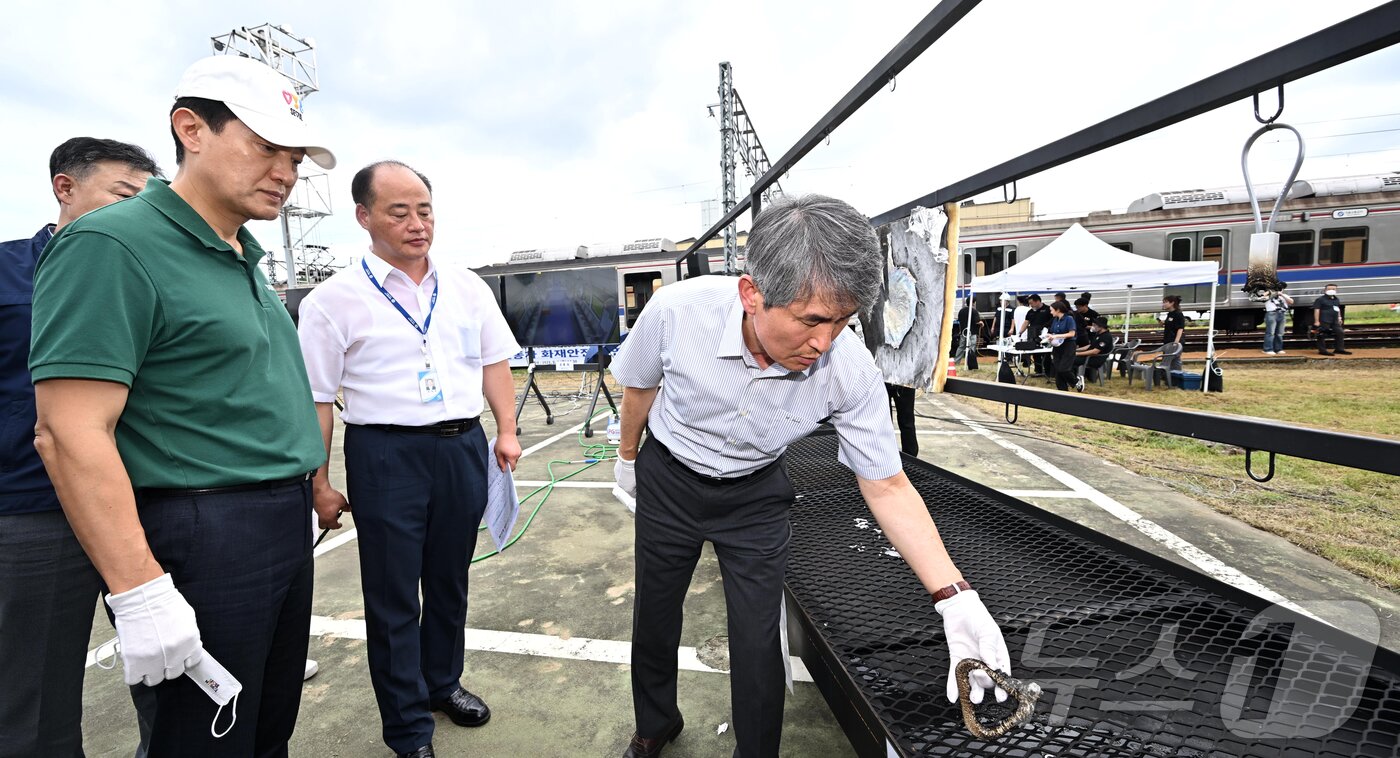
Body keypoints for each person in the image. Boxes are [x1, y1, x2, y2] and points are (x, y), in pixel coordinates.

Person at [610, 195, 1011, 758]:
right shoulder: (678, 312)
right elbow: (640, 389)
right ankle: (654, 723)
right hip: (669, 479)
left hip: (754, 495)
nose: (825, 341)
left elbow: (887, 484)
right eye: (812, 320)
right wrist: (629, 459)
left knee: (757, 641)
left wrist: (954, 596)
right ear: (752, 294)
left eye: (844, 321)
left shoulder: (848, 367)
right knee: (654, 614)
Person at [29, 56, 335, 757]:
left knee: (263, 733)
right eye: (265, 147)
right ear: (191, 129)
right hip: (203, 530)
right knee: (202, 743)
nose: (285, 172)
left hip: (277, 523)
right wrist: (139, 587)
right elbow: (68, 428)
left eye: (293, 156)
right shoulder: (113, 243)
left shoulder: (239, 255)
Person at [297, 161, 522, 758]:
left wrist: (506, 429)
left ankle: (442, 684)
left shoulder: (466, 285)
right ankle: (406, 728)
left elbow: (494, 361)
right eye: (399, 212)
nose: (417, 224)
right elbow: (318, 400)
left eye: (424, 210)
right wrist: (319, 482)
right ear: (364, 217)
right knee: (394, 594)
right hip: (385, 455)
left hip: (461, 447)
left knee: (449, 579)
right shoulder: (332, 301)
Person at [1, 137, 158, 757]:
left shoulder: (150, 272)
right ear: (65, 188)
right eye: (124, 195)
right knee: (34, 697)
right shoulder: (9, 271)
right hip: (34, 511)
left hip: (142, 501)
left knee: (174, 666)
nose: (138, 213)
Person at [1131, 295, 1186, 374]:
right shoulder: (1170, 314)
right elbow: (1171, 324)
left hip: (1175, 341)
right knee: (1168, 358)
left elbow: (1180, 328)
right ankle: (1168, 375)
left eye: (1165, 302)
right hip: (1168, 340)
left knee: (1175, 359)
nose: (1163, 304)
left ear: (1172, 303)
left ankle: (1177, 375)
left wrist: (1176, 342)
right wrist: (1163, 323)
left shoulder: (1178, 314)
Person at [1072, 317, 1116, 391]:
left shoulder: (1106, 337)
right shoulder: (1098, 334)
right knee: (1069, 358)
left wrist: (1077, 354)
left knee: (1070, 360)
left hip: (1095, 359)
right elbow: (1090, 346)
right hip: (1089, 357)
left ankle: (1075, 380)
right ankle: (1073, 379)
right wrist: (1076, 350)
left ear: (1101, 326)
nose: (1093, 327)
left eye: (1094, 325)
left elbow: (1095, 351)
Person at [1047, 300, 1079, 391]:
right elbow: (1053, 332)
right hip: (1057, 346)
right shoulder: (1055, 320)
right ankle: (1062, 390)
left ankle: (1076, 381)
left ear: (1058, 310)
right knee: (1057, 369)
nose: (1050, 312)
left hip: (1068, 345)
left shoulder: (1069, 319)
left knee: (1063, 368)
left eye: (1052, 310)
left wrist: (1056, 336)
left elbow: (1072, 334)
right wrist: (1050, 336)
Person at [1312, 284, 1351, 356]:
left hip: (1334, 320)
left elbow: (1337, 308)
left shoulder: (1336, 299)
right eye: (1329, 289)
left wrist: (1339, 317)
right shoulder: (1320, 299)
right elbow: (1317, 310)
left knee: (1340, 332)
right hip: (1324, 319)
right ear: (1325, 290)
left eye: (1333, 289)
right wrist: (1316, 321)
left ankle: (1339, 349)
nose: (1331, 290)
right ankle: (1322, 350)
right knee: (1322, 334)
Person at [1023, 294, 1053, 376]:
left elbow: (1053, 320)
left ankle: (1048, 372)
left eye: (1032, 303)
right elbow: (1026, 322)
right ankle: (1038, 371)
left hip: (1045, 335)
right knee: (1035, 353)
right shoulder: (1030, 311)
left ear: (1038, 301)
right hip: (1033, 335)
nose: (1030, 305)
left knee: (1046, 354)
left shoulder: (1048, 309)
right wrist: (1019, 333)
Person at [1262, 286, 1293, 355]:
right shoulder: (1269, 296)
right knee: (1270, 332)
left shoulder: (1284, 295)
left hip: (1282, 314)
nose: (1279, 290)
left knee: (1279, 333)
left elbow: (1291, 301)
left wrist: (1282, 295)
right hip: (1271, 313)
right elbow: (1261, 297)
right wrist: (1270, 292)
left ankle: (1278, 349)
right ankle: (1267, 349)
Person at [954, 298, 982, 370]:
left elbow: (959, 320)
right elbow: (977, 321)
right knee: (971, 347)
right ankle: (971, 363)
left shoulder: (961, 311)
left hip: (963, 332)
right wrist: (981, 323)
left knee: (961, 346)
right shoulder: (974, 311)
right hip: (972, 332)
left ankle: (956, 362)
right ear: (973, 303)